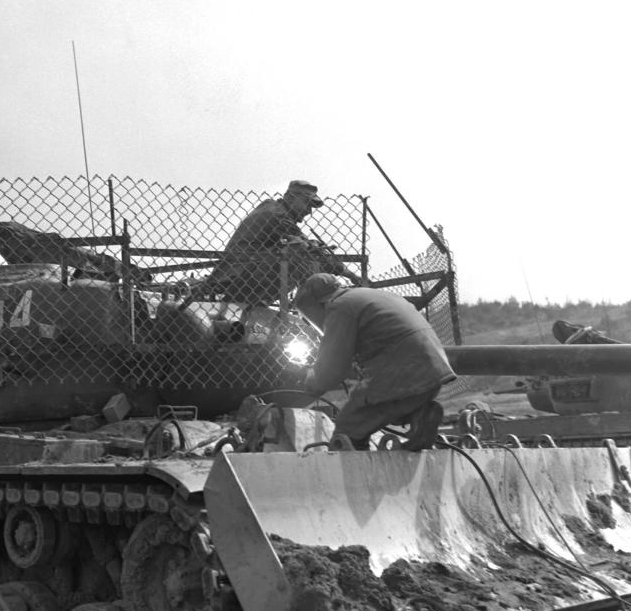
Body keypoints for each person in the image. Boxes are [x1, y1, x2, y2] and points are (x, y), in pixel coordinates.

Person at [294, 273, 456, 450]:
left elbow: (332, 370)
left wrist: (312, 381)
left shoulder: (339, 307)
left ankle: (352, 472)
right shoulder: (367, 296)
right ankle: (420, 415)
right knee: (381, 413)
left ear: (319, 303)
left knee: (348, 427)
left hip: (403, 374)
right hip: (432, 371)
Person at [194, 180, 360, 307]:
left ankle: (262, 302)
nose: (309, 211)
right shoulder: (276, 215)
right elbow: (304, 247)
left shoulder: (274, 210)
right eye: (306, 203)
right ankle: (319, 304)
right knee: (301, 254)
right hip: (239, 274)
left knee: (305, 249)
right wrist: (351, 275)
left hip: (242, 271)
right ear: (290, 197)